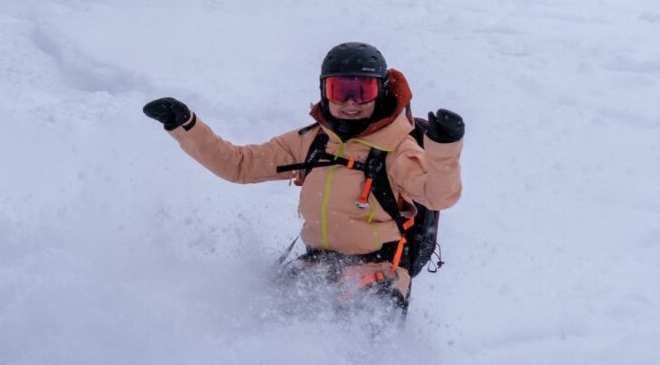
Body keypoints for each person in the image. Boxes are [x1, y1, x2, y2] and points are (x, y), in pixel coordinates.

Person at [142, 41, 464, 307]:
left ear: (379, 92)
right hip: (318, 264)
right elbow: (239, 165)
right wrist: (185, 124)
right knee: (260, 309)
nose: (350, 102)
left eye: (362, 90)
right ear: (324, 90)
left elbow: (438, 196)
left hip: (379, 270)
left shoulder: (397, 148)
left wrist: (444, 148)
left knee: (360, 324)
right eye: (339, 90)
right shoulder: (313, 141)